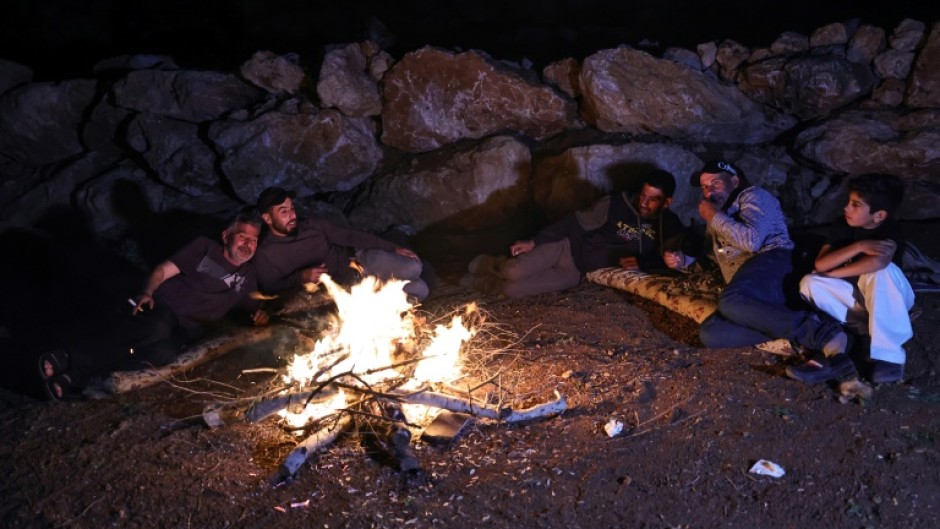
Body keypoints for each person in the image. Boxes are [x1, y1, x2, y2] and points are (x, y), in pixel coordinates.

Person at [37, 208, 270, 399]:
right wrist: (146, 293)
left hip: (185, 331)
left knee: (162, 353)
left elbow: (252, 307)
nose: (248, 245)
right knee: (156, 327)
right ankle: (70, 358)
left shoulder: (248, 276)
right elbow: (161, 271)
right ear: (226, 236)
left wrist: (259, 315)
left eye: (253, 240)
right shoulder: (204, 248)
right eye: (242, 237)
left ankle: (81, 380)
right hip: (161, 307)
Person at [665, 160, 849, 365]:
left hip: (773, 263)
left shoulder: (754, 196)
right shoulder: (718, 219)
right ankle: (791, 320)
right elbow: (710, 259)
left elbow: (751, 241)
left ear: (734, 181)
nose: (709, 191)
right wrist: (682, 260)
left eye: (716, 183)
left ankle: (822, 333)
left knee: (731, 300)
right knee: (711, 333)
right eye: (704, 187)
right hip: (749, 288)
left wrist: (713, 216)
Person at [464, 169, 685, 298]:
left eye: (652, 199)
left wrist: (642, 263)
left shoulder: (668, 224)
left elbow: (667, 257)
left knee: (511, 290)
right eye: (643, 195)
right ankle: (490, 264)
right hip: (567, 248)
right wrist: (535, 241)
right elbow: (574, 222)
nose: (644, 203)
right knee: (512, 271)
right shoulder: (617, 203)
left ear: (667, 202)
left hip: (576, 272)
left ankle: (481, 282)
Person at [792, 174, 914, 384]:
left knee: (879, 273)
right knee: (810, 283)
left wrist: (833, 273)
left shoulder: (890, 228)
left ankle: (889, 357)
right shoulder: (843, 225)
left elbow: (878, 263)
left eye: (856, 204)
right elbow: (821, 264)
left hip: (893, 297)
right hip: (859, 299)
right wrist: (858, 246)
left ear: (879, 215)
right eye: (849, 202)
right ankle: (867, 330)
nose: (847, 208)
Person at [253, 187, 429, 301]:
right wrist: (301, 277)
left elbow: (350, 237)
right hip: (347, 291)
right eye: (283, 211)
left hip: (361, 262)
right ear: (267, 218)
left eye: (292, 208)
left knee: (414, 267)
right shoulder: (266, 253)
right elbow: (269, 288)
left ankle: (388, 281)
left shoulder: (312, 226)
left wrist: (393, 248)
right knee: (421, 290)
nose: (292, 215)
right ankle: (383, 301)